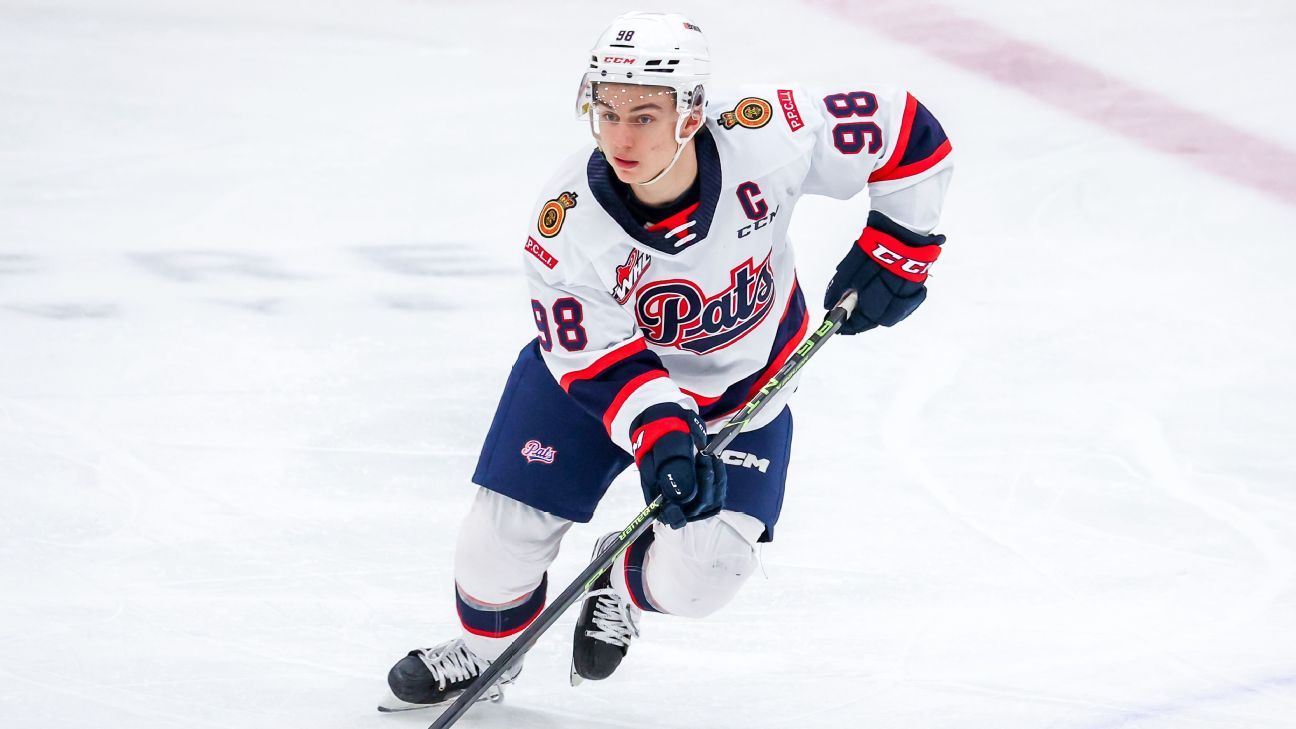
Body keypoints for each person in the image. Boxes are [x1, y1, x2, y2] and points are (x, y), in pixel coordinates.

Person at [381, 10, 953, 710]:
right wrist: (659, 428)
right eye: (607, 110)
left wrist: (903, 246)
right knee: (492, 548)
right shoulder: (567, 223)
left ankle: (617, 582)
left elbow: (906, 128)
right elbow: (591, 355)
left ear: (690, 112)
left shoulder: (768, 132)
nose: (620, 136)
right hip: (593, 390)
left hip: (745, 388)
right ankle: (485, 651)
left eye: (645, 115)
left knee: (705, 577)